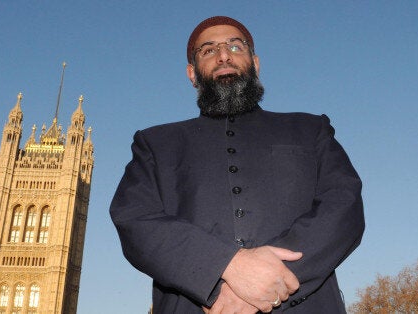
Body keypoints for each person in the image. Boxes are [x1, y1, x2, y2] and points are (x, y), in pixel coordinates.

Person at [110, 16, 364, 313]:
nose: (223, 55)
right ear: (192, 74)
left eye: (234, 46)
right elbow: (136, 219)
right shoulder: (155, 143)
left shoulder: (310, 129)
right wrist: (220, 269)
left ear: (255, 63)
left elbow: (343, 205)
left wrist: (266, 279)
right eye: (208, 50)